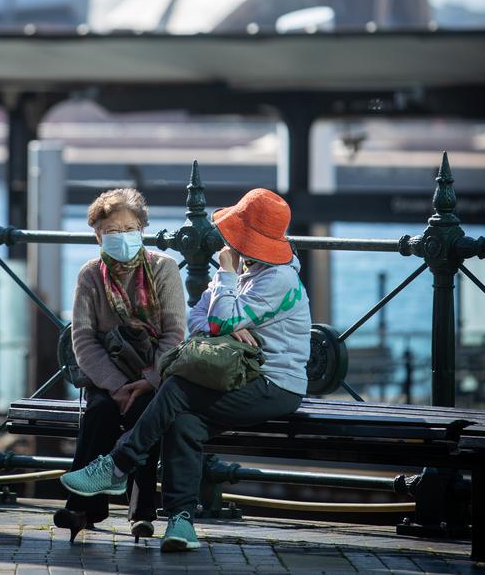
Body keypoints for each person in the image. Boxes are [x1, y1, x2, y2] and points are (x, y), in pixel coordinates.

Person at [61, 187, 312, 552]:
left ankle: (117, 465)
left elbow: (209, 320)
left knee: (176, 388)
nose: (229, 240)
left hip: (274, 385)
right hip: (236, 379)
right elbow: (199, 317)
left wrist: (224, 285)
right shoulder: (247, 272)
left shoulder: (277, 279)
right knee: (183, 420)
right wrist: (224, 318)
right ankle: (181, 521)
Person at [55, 188, 186, 543]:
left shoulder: (164, 268)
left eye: (129, 228)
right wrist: (114, 385)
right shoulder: (90, 275)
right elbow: (82, 337)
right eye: (112, 230)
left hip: (152, 373)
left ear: (142, 228)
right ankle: (81, 508)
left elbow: (175, 334)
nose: (122, 236)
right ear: (97, 234)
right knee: (98, 414)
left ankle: (142, 514)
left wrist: (148, 379)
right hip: (107, 376)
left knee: (147, 415)